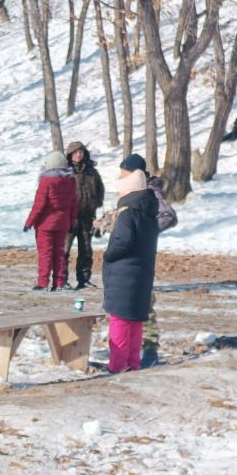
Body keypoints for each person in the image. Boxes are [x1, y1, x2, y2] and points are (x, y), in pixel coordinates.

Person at [95, 153, 176, 367]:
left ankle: (125, 362)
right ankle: (132, 362)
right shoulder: (141, 206)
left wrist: (110, 253)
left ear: (133, 176)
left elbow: (125, 238)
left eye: (124, 173)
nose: (120, 178)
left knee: (124, 317)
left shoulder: (143, 198)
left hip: (128, 268)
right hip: (140, 265)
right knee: (135, 316)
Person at [103, 162, 159, 373]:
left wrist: (108, 255)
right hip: (142, 273)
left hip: (124, 275)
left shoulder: (128, 213)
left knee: (119, 321)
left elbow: (123, 242)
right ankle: (132, 364)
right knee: (135, 321)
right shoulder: (149, 214)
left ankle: (116, 367)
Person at [24, 150, 77, 291]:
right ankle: (59, 283)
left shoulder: (47, 180)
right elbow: (73, 203)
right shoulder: (70, 180)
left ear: (52, 165)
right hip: (63, 223)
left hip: (45, 224)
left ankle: (42, 283)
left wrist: (29, 222)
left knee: (45, 253)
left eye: (47, 163)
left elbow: (39, 204)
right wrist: (72, 221)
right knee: (59, 253)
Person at [63, 141, 105, 289]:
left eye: (81, 152)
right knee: (64, 250)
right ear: (70, 154)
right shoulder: (64, 171)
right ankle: (61, 280)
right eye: (76, 152)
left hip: (87, 216)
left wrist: (96, 203)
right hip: (69, 218)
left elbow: (100, 189)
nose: (79, 154)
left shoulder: (91, 171)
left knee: (86, 249)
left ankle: (84, 279)